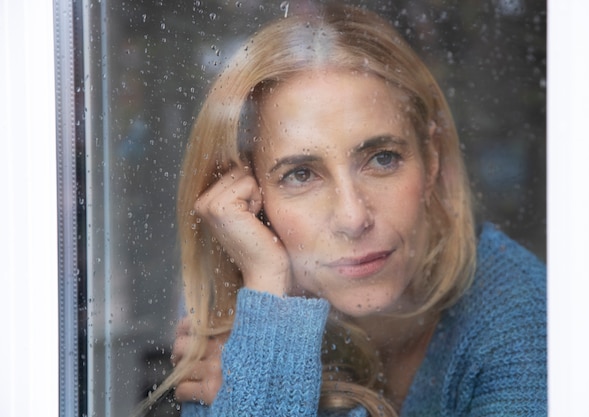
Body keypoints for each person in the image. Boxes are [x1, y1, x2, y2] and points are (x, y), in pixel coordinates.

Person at [140, 3, 546, 416]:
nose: (353, 218)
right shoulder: (258, 330)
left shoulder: (523, 324)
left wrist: (263, 382)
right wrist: (268, 302)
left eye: (383, 159)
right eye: (300, 175)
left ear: (432, 158)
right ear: (249, 203)